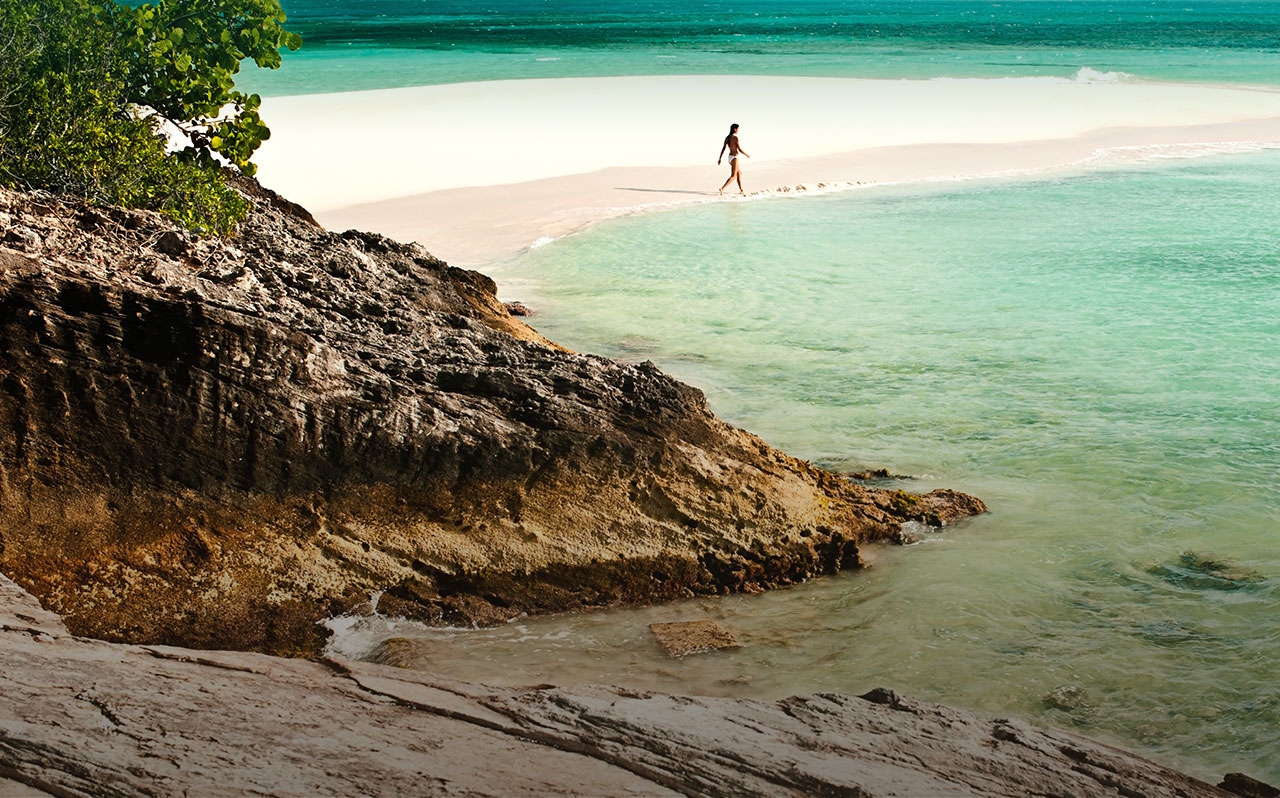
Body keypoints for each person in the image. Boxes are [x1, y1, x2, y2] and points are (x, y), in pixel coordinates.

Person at [717, 123, 750, 195]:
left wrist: (720, 158)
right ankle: (722, 188)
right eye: (738, 129)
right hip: (735, 157)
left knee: (739, 173)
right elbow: (739, 149)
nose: (738, 130)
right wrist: (746, 154)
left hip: (730, 158)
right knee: (733, 176)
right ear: (735, 129)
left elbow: (723, 148)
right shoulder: (735, 138)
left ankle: (741, 190)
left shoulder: (727, 137)